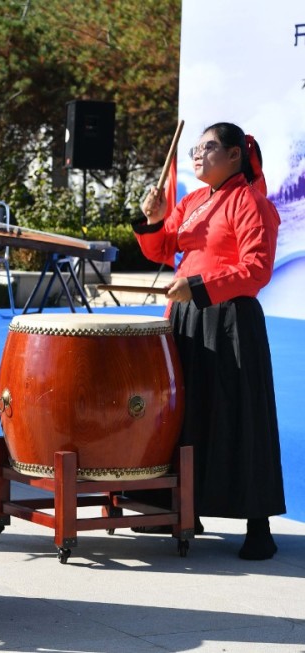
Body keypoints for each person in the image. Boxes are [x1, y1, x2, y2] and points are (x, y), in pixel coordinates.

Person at [135, 122, 285, 560]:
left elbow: (256, 270)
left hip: (230, 319)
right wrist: (153, 219)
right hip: (187, 315)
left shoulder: (252, 203)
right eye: (196, 148)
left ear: (235, 155)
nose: (198, 155)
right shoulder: (195, 200)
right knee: (188, 413)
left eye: (209, 147)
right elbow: (163, 249)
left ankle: (259, 525)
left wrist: (198, 286)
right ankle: (187, 510)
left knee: (242, 415)